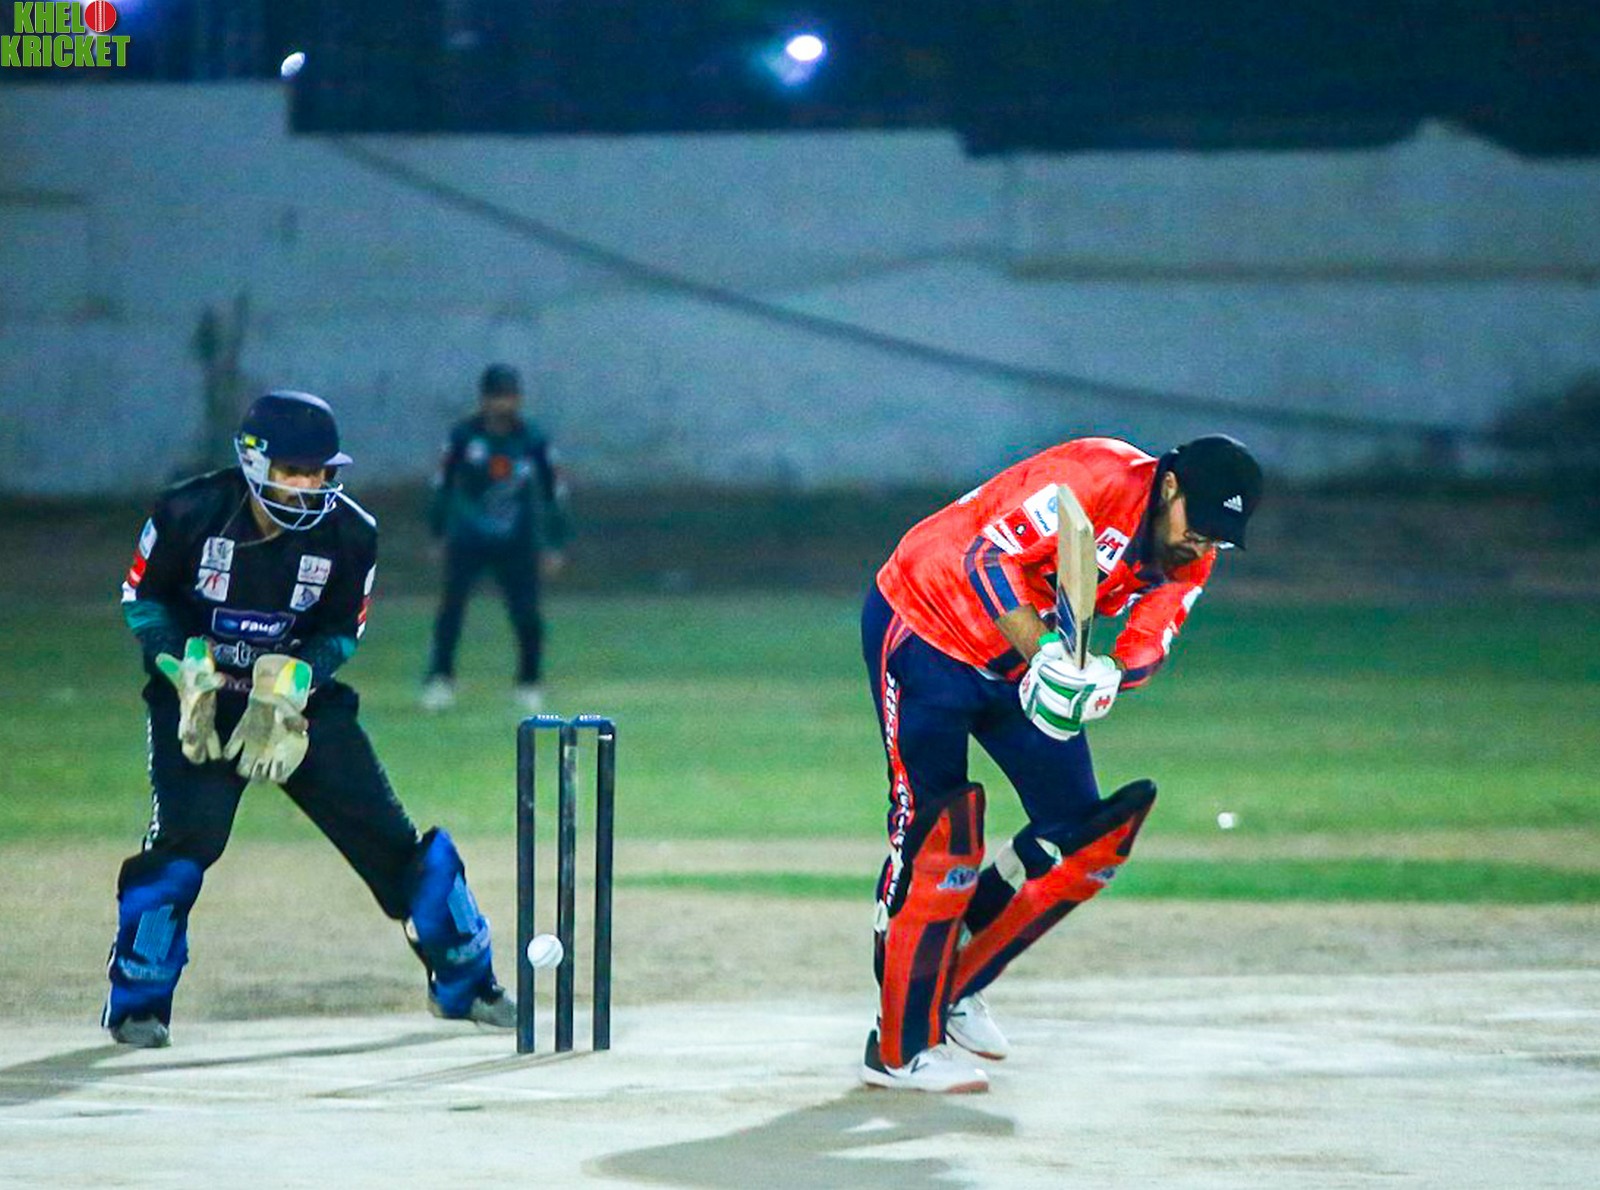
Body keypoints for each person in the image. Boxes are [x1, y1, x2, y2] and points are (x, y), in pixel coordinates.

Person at [106, 390, 515, 1048]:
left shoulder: (352, 533)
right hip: (199, 698)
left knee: (393, 843)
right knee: (185, 846)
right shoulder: (188, 510)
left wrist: (299, 679)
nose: (309, 485)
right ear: (254, 462)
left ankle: (468, 984)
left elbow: (341, 631)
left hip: (297, 703)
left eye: (320, 472)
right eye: (294, 471)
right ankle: (137, 1004)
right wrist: (182, 667)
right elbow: (142, 597)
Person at [858, 434, 1264, 1092]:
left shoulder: (1192, 553)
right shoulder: (1093, 474)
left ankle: (952, 980)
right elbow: (985, 556)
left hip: (1016, 660)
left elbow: (1152, 637)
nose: (1203, 546)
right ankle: (898, 1048)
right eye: (1201, 526)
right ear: (1169, 486)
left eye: (1220, 537)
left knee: (1079, 832)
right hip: (925, 624)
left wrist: (1108, 676)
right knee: (933, 834)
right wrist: (1046, 654)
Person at [421, 363, 571, 713]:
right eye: (496, 397)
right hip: (468, 536)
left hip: (518, 540)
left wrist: (554, 543)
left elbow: (554, 490)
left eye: (508, 397)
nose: (502, 405)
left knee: (526, 612)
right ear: (484, 399)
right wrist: (438, 532)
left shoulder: (532, 439)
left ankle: (529, 681)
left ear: (517, 399)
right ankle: (440, 678)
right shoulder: (463, 437)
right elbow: (443, 485)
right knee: (451, 609)